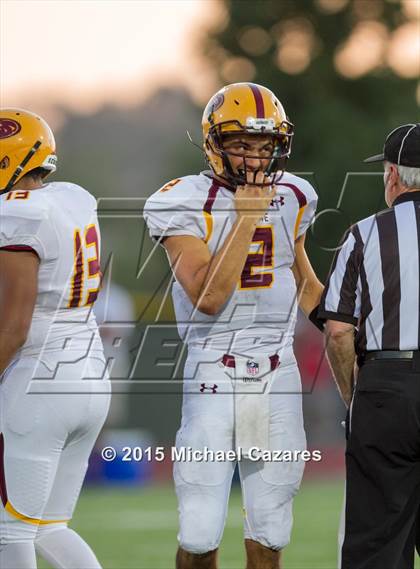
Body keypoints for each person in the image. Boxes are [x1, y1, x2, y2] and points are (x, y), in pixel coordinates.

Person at [144, 82, 324, 569]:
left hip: (277, 370)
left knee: (270, 526)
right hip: (214, 371)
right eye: (242, 145)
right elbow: (209, 296)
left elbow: (304, 281)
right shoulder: (182, 200)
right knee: (200, 531)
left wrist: (348, 333)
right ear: (214, 144)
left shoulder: (294, 197)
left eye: (265, 147)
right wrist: (245, 217)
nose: (254, 159)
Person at [0, 109, 110, 569]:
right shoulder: (72, 199)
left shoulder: (16, 212)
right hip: (88, 370)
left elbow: (15, 324)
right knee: (49, 527)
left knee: (10, 532)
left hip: (38, 379)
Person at [318, 123, 420, 569]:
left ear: (393, 175)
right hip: (390, 383)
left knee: (378, 543)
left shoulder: (363, 234)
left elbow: (339, 330)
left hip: (388, 385)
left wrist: (354, 394)